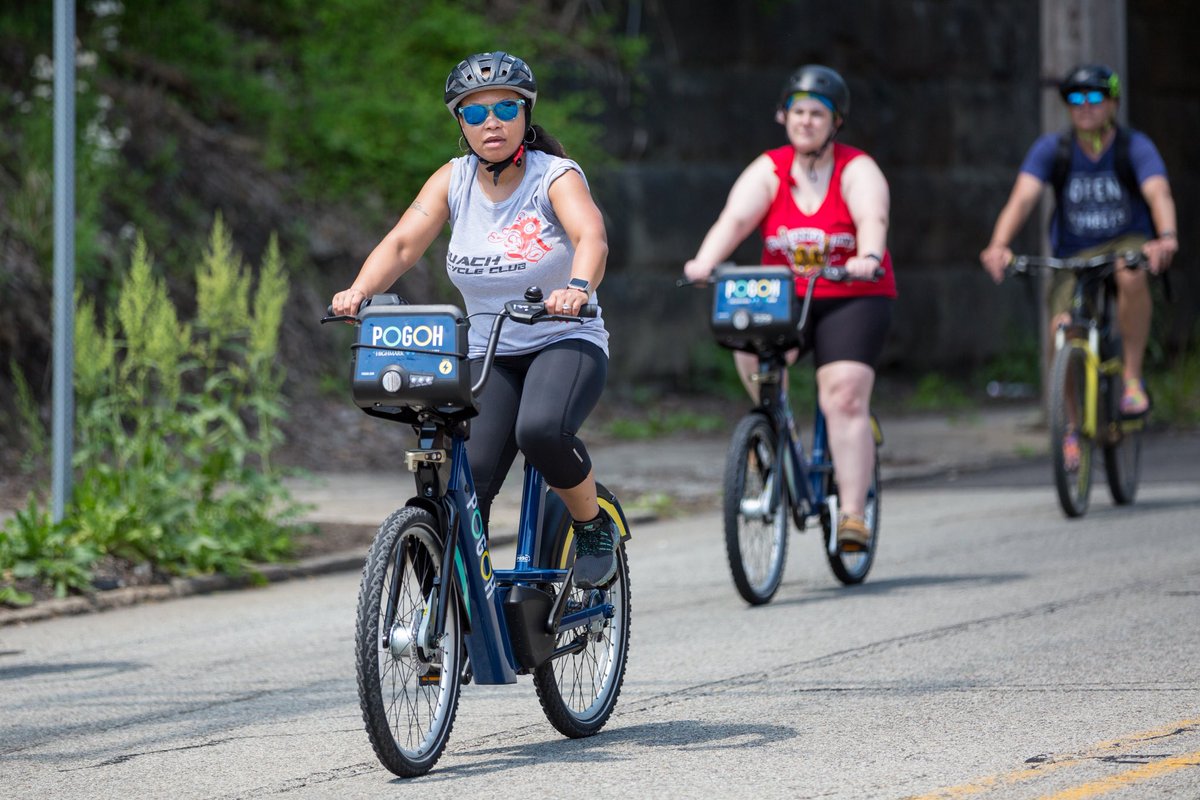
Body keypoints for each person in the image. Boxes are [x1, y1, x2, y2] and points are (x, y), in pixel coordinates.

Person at [331, 51, 617, 588]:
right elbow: (401, 244)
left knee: (540, 430)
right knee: (459, 484)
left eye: (506, 108)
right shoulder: (454, 179)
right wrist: (359, 290)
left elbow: (590, 237)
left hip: (564, 338)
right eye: (476, 112)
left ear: (526, 115)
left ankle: (592, 524)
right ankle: (457, 613)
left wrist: (577, 287)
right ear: (459, 122)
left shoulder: (554, 176)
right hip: (490, 353)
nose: (493, 122)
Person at [683, 64, 897, 552]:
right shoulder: (770, 169)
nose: (806, 121)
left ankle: (852, 514)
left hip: (853, 295)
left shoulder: (856, 169)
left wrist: (868, 256)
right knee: (747, 347)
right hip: (787, 296)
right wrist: (704, 262)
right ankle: (771, 433)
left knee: (842, 395)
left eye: (817, 113)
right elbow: (734, 220)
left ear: (835, 121)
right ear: (783, 115)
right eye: (797, 111)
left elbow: (872, 216)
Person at [980, 63, 1178, 468]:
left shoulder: (1133, 146)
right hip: (1073, 253)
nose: (1085, 107)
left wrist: (1167, 237)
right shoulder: (1054, 149)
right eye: (1075, 99)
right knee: (1062, 332)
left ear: (1113, 102)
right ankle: (1072, 428)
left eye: (1094, 98)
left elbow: (1158, 192)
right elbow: (1022, 199)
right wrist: (999, 245)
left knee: (1131, 270)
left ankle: (1132, 380)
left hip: (1126, 241)